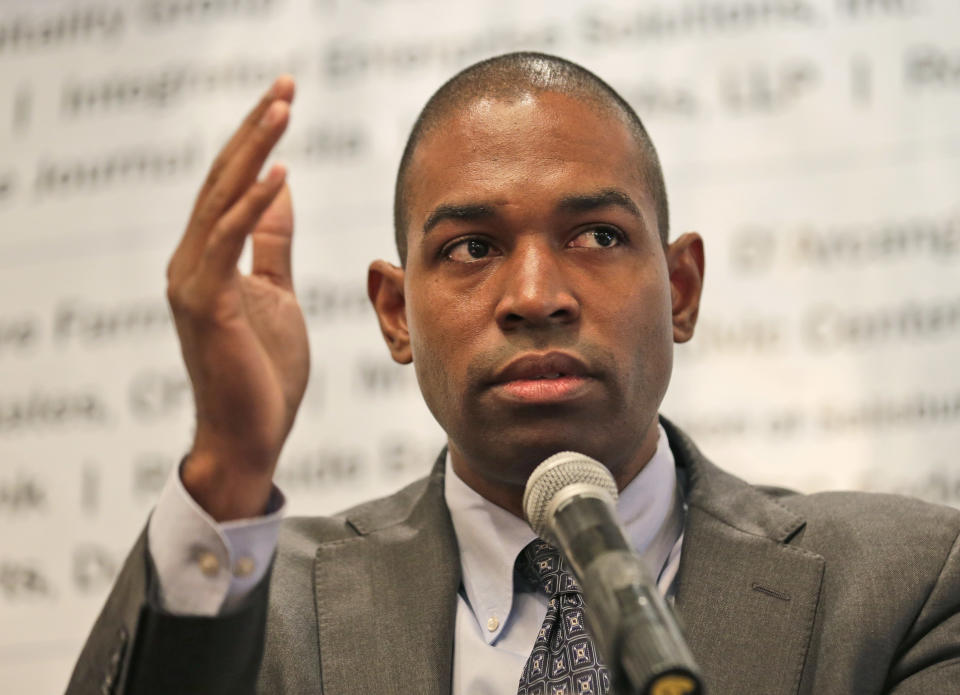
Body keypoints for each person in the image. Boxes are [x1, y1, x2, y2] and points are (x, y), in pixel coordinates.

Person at [67, 53, 959, 695]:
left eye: (598, 236)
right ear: (394, 314)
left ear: (680, 289)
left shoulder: (908, 584)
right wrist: (229, 462)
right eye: (472, 248)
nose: (535, 295)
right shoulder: (259, 613)